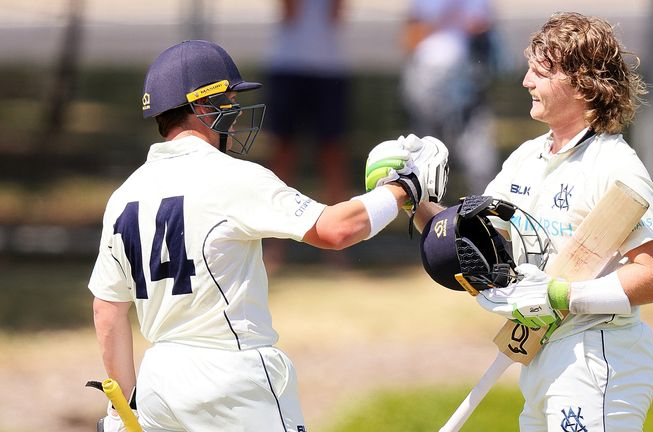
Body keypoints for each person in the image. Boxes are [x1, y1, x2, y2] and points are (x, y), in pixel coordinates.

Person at [88, 39, 447, 432]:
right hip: (231, 377)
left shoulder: (124, 196)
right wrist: (402, 190)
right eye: (229, 102)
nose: (237, 116)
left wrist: (120, 409)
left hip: (159, 381)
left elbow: (108, 309)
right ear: (203, 107)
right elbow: (335, 229)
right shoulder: (232, 177)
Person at [373, 11, 653, 431]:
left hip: (599, 355)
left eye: (540, 72)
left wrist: (560, 294)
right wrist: (409, 195)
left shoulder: (615, 167)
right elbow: (471, 243)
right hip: (539, 353)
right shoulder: (527, 158)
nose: (525, 82)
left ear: (583, 82)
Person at [263, 0, 351, 269]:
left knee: (332, 156)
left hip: (329, 67)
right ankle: (274, 247)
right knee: (283, 156)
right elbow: (289, 13)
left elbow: (336, 15)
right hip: (288, 65)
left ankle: (338, 247)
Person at [400, 0, 501, 196]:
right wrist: (441, 20)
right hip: (426, 81)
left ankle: (486, 215)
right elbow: (409, 39)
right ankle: (429, 214)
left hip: (466, 82)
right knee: (424, 155)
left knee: (478, 159)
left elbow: (484, 27)